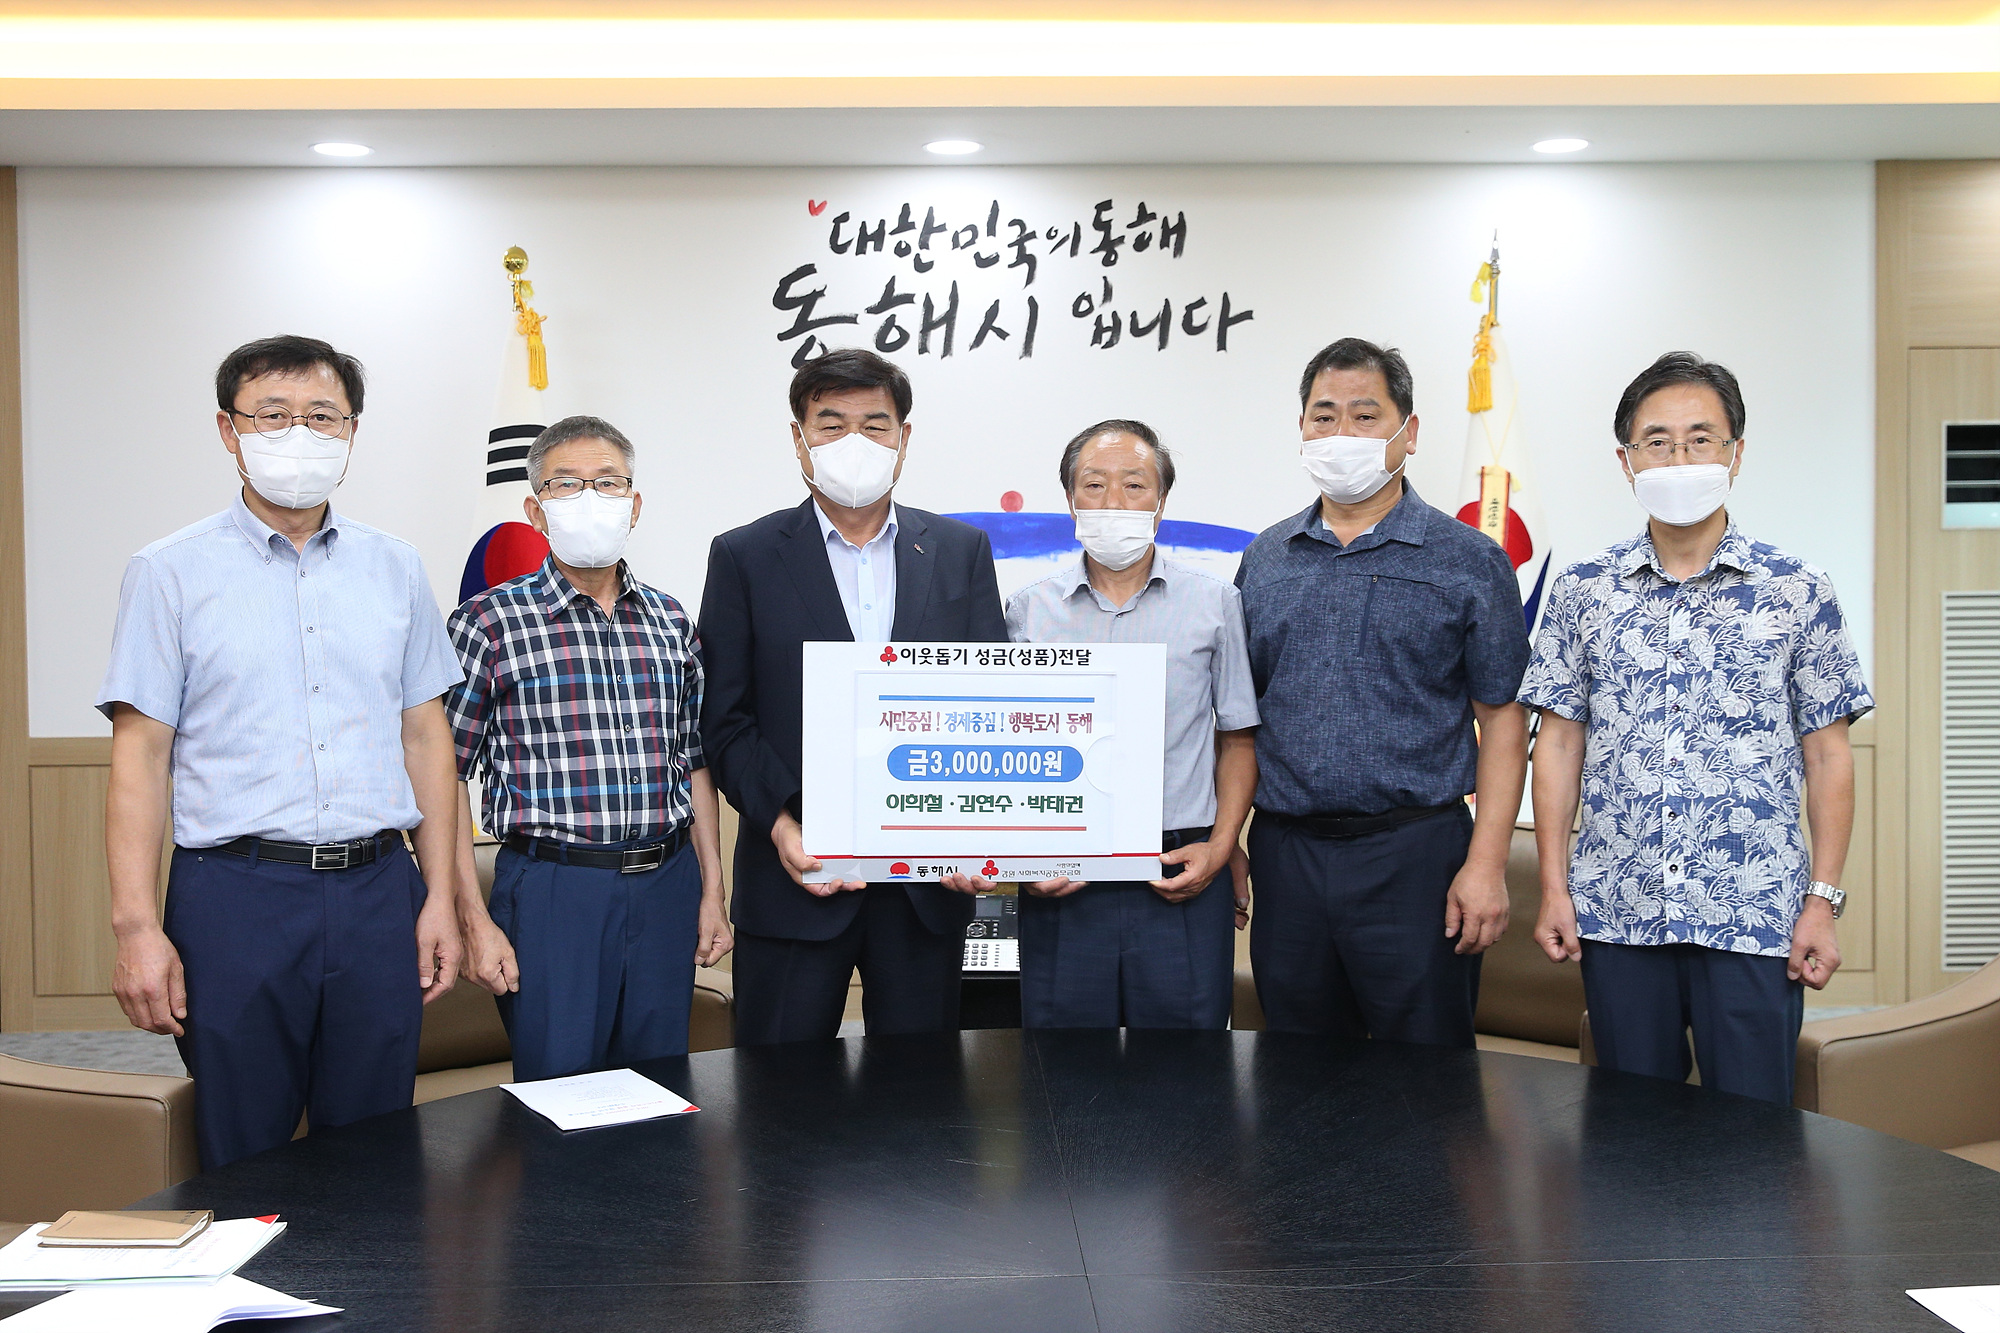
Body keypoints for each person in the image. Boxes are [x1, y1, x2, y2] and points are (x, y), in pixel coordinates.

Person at [99, 334, 464, 1169]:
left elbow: (425, 736)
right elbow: (140, 759)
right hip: (236, 896)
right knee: (245, 1152)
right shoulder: (167, 572)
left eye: (321, 416)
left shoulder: (396, 567)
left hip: (379, 891)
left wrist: (441, 895)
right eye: (273, 414)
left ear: (352, 432)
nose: (299, 434)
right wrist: (136, 926)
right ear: (228, 429)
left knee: (376, 1149)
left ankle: (372, 1267)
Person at [1519, 352, 1871, 1104]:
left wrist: (1823, 900)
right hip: (1620, 910)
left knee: (1752, 1138)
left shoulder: (1797, 589)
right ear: (1626, 460)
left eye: (1700, 439)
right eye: (1658, 442)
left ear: (1735, 453)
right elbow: (1558, 745)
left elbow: (1828, 755)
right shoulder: (1583, 591)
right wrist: (1554, 887)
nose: (1679, 459)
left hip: (1755, 913)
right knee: (1630, 1135)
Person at [700, 348, 1007, 1045]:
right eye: (832, 425)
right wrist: (785, 825)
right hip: (795, 877)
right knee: (777, 1093)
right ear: (799, 438)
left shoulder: (960, 550)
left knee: (918, 1093)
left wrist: (977, 829)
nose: (854, 443)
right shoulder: (745, 555)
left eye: (875, 425)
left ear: (904, 437)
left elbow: (987, 704)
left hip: (928, 886)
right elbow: (726, 720)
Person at [1234, 337, 1531, 1048]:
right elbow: (1239, 719)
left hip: (1417, 856)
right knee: (1297, 1079)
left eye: (1365, 416)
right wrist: (1228, 840)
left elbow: (1504, 720)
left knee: (1424, 1084)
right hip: (1287, 854)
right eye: (1324, 416)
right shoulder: (1266, 558)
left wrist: (1487, 864)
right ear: (1302, 429)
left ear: (1410, 431)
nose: (1343, 433)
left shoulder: (1470, 560)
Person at [443, 415, 732, 1082]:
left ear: (634, 503)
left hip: (666, 882)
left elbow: (695, 764)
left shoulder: (670, 619)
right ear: (535, 510)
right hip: (553, 889)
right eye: (566, 485)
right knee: (562, 1095)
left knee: (661, 1089)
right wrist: (472, 917)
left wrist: (712, 890)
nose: (590, 498)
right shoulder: (487, 622)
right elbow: (443, 778)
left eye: (607, 483)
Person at [1002, 420, 1259, 1028]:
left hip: (1180, 867)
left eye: (1134, 485)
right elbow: (1007, 748)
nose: (1113, 502)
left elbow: (1238, 739)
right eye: (1094, 485)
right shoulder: (1028, 610)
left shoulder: (1215, 603)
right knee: (1063, 1067)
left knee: (1183, 1066)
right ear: (1070, 500)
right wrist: (1022, 860)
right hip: (1062, 870)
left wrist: (1223, 845)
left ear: (1161, 501)